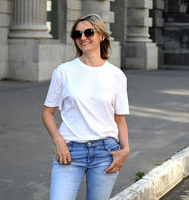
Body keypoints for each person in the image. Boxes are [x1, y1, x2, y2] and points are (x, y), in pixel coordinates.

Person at [42, 14, 130, 200]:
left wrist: (125, 150)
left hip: (106, 152)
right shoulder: (63, 72)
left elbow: (119, 119)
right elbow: (47, 113)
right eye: (77, 34)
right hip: (70, 151)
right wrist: (59, 141)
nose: (82, 38)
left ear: (102, 36)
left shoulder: (116, 75)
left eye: (89, 32)